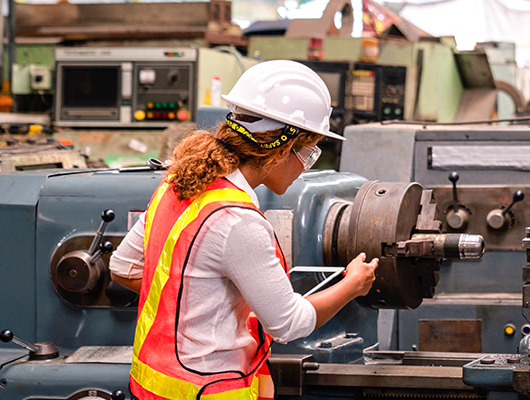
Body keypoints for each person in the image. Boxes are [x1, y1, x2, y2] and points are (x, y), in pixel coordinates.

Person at [109, 60, 378, 399]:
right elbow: (289, 324)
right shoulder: (237, 221)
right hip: (210, 390)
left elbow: (122, 267)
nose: (305, 167)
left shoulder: (176, 184)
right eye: (309, 154)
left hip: (151, 386)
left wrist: (199, 305)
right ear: (281, 149)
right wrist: (353, 284)